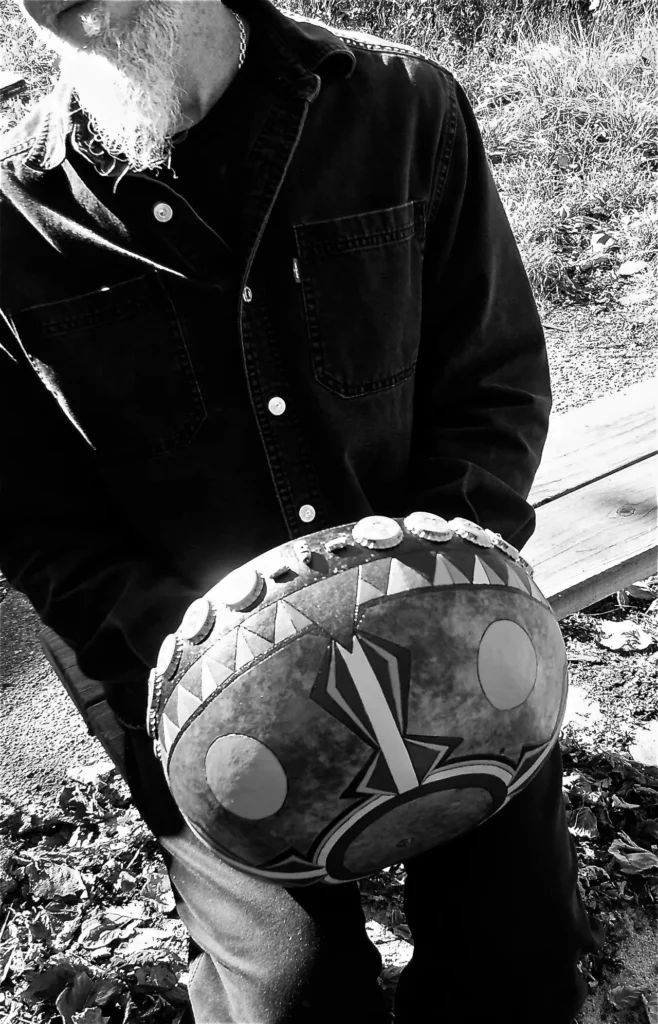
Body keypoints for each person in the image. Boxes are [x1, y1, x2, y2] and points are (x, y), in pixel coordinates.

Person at [0, 1, 603, 1021]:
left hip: (447, 642)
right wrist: (238, 661)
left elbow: (493, 388)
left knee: (519, 962)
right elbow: (36, 522)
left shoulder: (401, 106)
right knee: (292, 999)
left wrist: (424, 598)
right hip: (199, 701)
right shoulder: (10, 213)